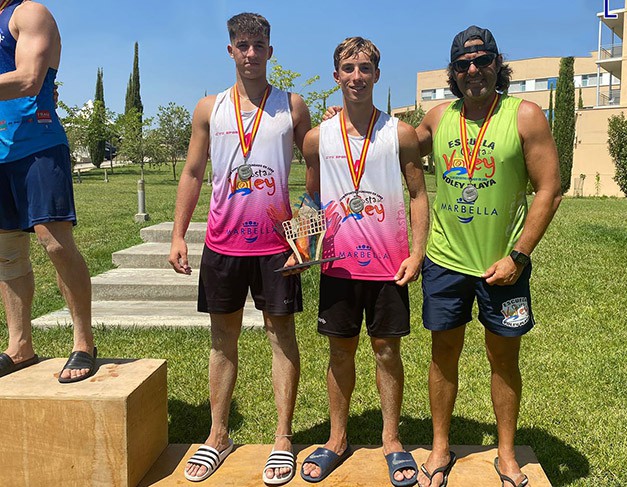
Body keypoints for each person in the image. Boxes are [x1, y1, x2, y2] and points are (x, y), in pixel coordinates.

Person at [414, 26, 562, 487]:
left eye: (482, 60)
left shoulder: (526, 116)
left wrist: (518, 256)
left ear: (498, 63)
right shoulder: (437, 118)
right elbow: (392, 147)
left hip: (504, 266)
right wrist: (350, 121)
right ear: (453, 73)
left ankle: (505, 454)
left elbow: (550, 190)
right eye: (463, 64)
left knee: (504, 359)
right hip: (445, 260)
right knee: (444, 355)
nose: (473, 70)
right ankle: (440, 448)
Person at [168, 12, 311, 484]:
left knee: (280, 337)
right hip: (223, 243)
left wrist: (307, 235)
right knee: (222, 340)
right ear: (230, 50)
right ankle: (218, 435)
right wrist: (177, 234)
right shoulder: (209, 108)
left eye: (259, 45)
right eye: (242, 45)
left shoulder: (292, 105)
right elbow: (192, 172)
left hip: (278, 246)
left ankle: (283, 438)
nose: (251, 53)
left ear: (271, 51)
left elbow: (313, 176)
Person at [298, 37, 429, 486]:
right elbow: (312, 196)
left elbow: (417, 193)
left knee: (387, 349)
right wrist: (302, 243)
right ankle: (337, 438)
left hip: (390, 264)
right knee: (340, 351)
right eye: (348, 68)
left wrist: (417, 252)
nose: (357, 76)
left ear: (377, 74)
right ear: (337, 76)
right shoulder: (318, 138)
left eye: (365, 68)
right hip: (338, 265)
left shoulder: (400, 133)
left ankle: (392, 439)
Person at [0, 0, 97, 383]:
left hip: (37, 144)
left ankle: (84, 342)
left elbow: (28, 79)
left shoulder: (29, 13)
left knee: (55, 243)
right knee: (6, 251)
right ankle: (19, 346)